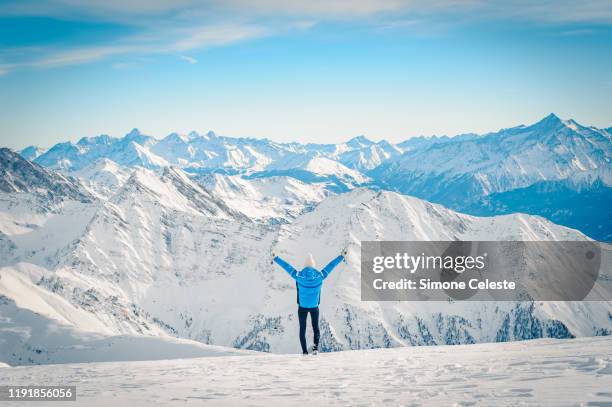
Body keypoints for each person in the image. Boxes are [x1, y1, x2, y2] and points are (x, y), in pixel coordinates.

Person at [272, 249, 347, 355]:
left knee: (302, 329)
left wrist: (276, 258)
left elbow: (287, 267)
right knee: (315, 327)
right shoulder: (320, 276)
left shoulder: (298, 275)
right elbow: (331, 265)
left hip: (302, 307)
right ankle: (315, 348)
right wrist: (341, 257)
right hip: (314, 307)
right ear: (313, 266)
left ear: (305, 266)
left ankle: (304, 352)